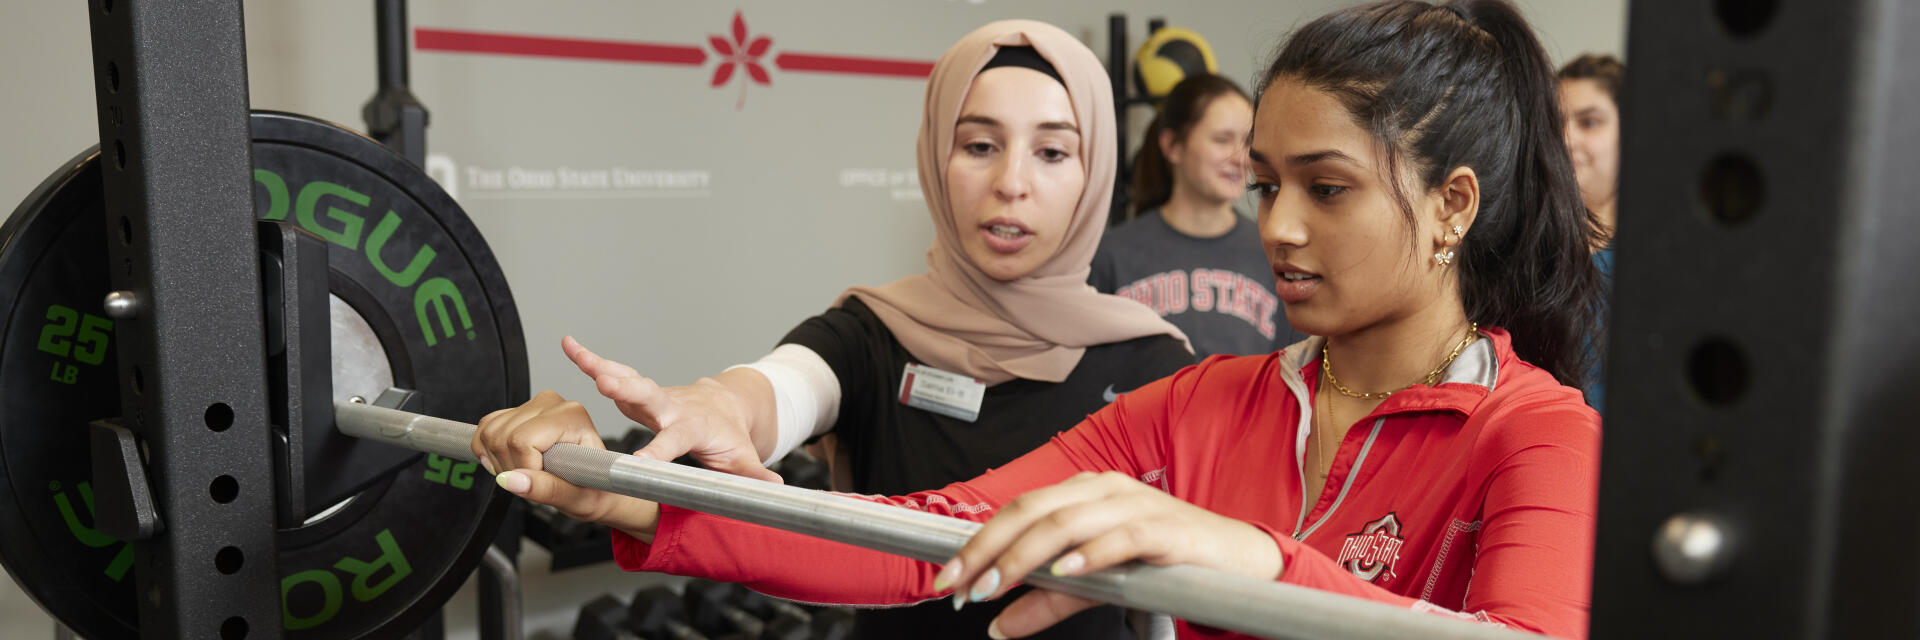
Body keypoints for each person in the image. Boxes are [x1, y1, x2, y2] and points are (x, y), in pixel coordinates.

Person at [475, 3, 1606, 638]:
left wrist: (1256, 557)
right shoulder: (1206, 402)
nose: (1281, 229)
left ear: (1453, 204)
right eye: (1267, 185)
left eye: (1327, 187)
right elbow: (927, 539)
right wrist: (637, 490)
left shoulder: (1538, 432)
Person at [478, 21, 1192, 640]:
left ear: (1095, 172)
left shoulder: (1155, 365)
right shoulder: (875, 332)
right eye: (979, 145)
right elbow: (783, 387)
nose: (1012, 181)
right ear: (937, 158)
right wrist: (717, 407)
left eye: (1052, 152)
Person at [1091, 73, 1309, 358]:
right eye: (1222, 140)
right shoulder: (1111, 256)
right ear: (1172, 146)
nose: (1240, 158)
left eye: (1247, 143)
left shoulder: (1274, 251)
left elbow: (1295, 370)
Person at [1557, 53, 1624, 410]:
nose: (1565, 138)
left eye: (1589, 122)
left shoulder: (1648, 267)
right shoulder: (1521, 260)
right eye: (1555, 123)